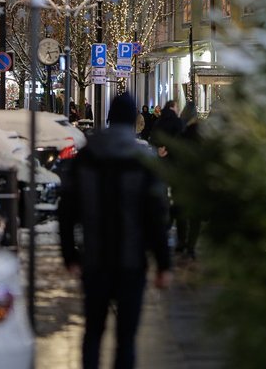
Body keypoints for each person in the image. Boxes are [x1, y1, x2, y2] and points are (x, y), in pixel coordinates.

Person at [60, 91, 172, 369]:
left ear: (110, 116)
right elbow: (156, 215)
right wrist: (163, 263)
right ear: (133, 119)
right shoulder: (143, 160)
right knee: (126, 337)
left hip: (95, 258)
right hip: (131, 260)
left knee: (93, 332)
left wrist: (69, 255)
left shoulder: (86, 156)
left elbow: (67, 210)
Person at [173, 102, 203, 261]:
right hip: (197, 181)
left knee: (181, 213)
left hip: (181, 179)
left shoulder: (181, 133)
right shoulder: (202, 136)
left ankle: (181, 242)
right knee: (195, 217)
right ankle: (191, 245)